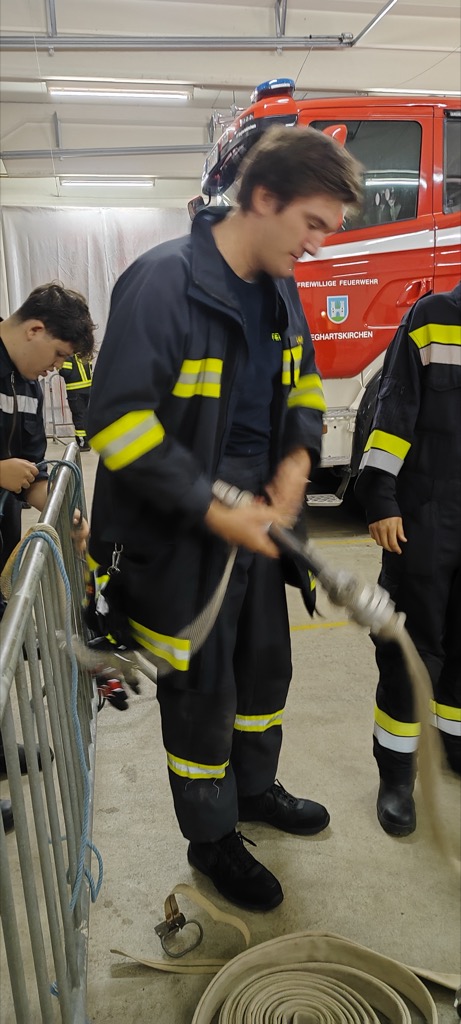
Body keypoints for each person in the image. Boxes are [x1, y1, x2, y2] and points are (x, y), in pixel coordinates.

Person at [87, 126, 363, 911]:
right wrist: (215, 507)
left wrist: (297, 461)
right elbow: (118, 424)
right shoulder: (162, 283)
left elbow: (303, 382)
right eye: (312, 223)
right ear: (263, 198)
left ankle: (253, 790)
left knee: (263, 671)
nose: (316, 244)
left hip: (264, 529)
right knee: (202, 693)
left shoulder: (277, 285)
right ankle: (211, 838)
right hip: (184, 537)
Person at [355, 282, 461, 837]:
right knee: (410, 650)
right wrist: (380, 496)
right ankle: (397, 775)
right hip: (426, 516)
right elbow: (393, 407)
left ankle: (454, 745)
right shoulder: (432, 317)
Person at [0, 282, 95, 831]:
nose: (56, 369)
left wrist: (66, 514)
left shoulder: (28, 384)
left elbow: (30, 477)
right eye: (57, 355)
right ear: (34, 329)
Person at [59, 353, 93, 451]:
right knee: (85, 416)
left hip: (75, 392)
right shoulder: (85, 354)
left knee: (78, 417)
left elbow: (65, 372)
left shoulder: (69, 357)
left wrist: (59, 366)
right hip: (88, 389)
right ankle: (88, 440)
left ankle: (83, 443)